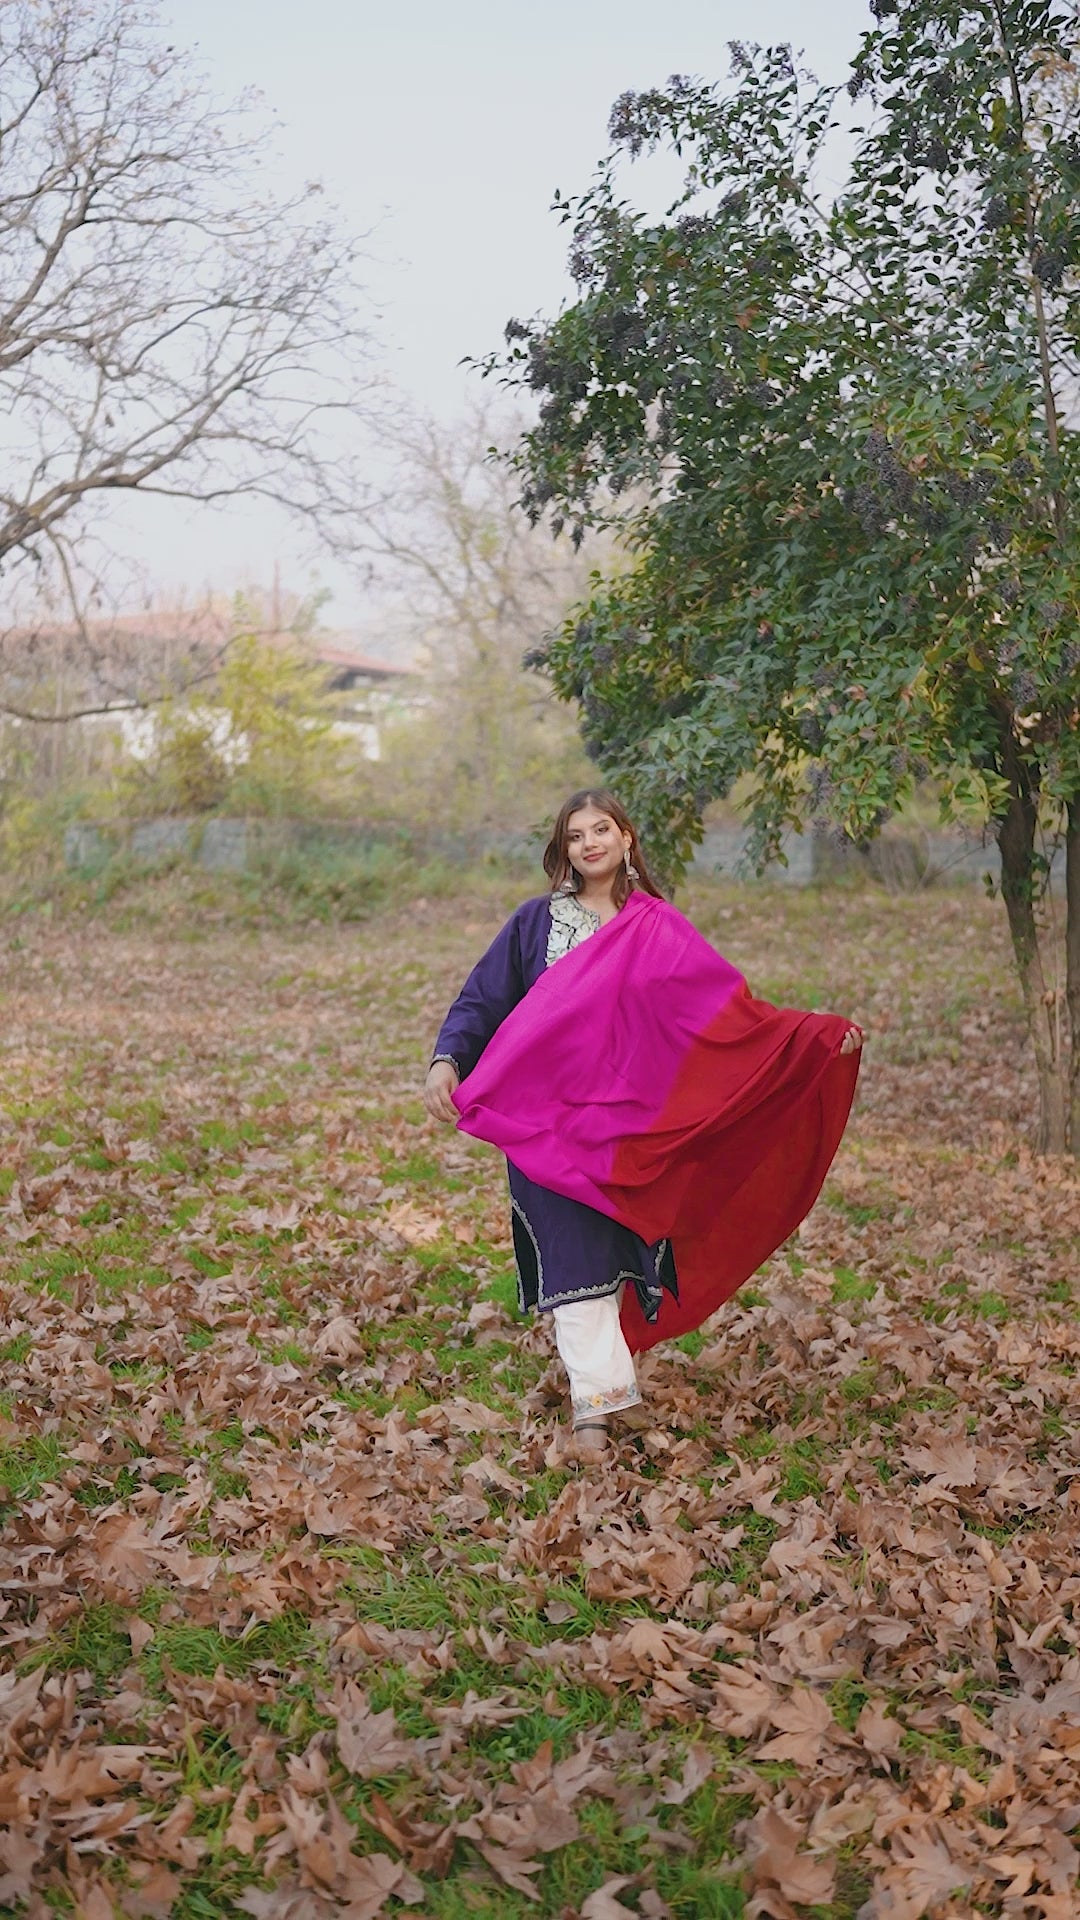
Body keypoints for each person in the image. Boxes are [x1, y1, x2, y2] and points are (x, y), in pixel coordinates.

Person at [424, 789, 862, 1457]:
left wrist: (813, 1038)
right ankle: (594, 1417)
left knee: (613, 1253)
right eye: (576, 835)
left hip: (628, 1127)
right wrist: (448, 1059)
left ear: (626, 838)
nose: (590, 843)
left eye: (601, 829)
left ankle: (611, 1394)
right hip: (544, 1120)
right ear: (564, 848)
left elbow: (726, 1011)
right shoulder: (536, 923)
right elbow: (482, 998)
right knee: (570, 1253)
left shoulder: (657, 927)